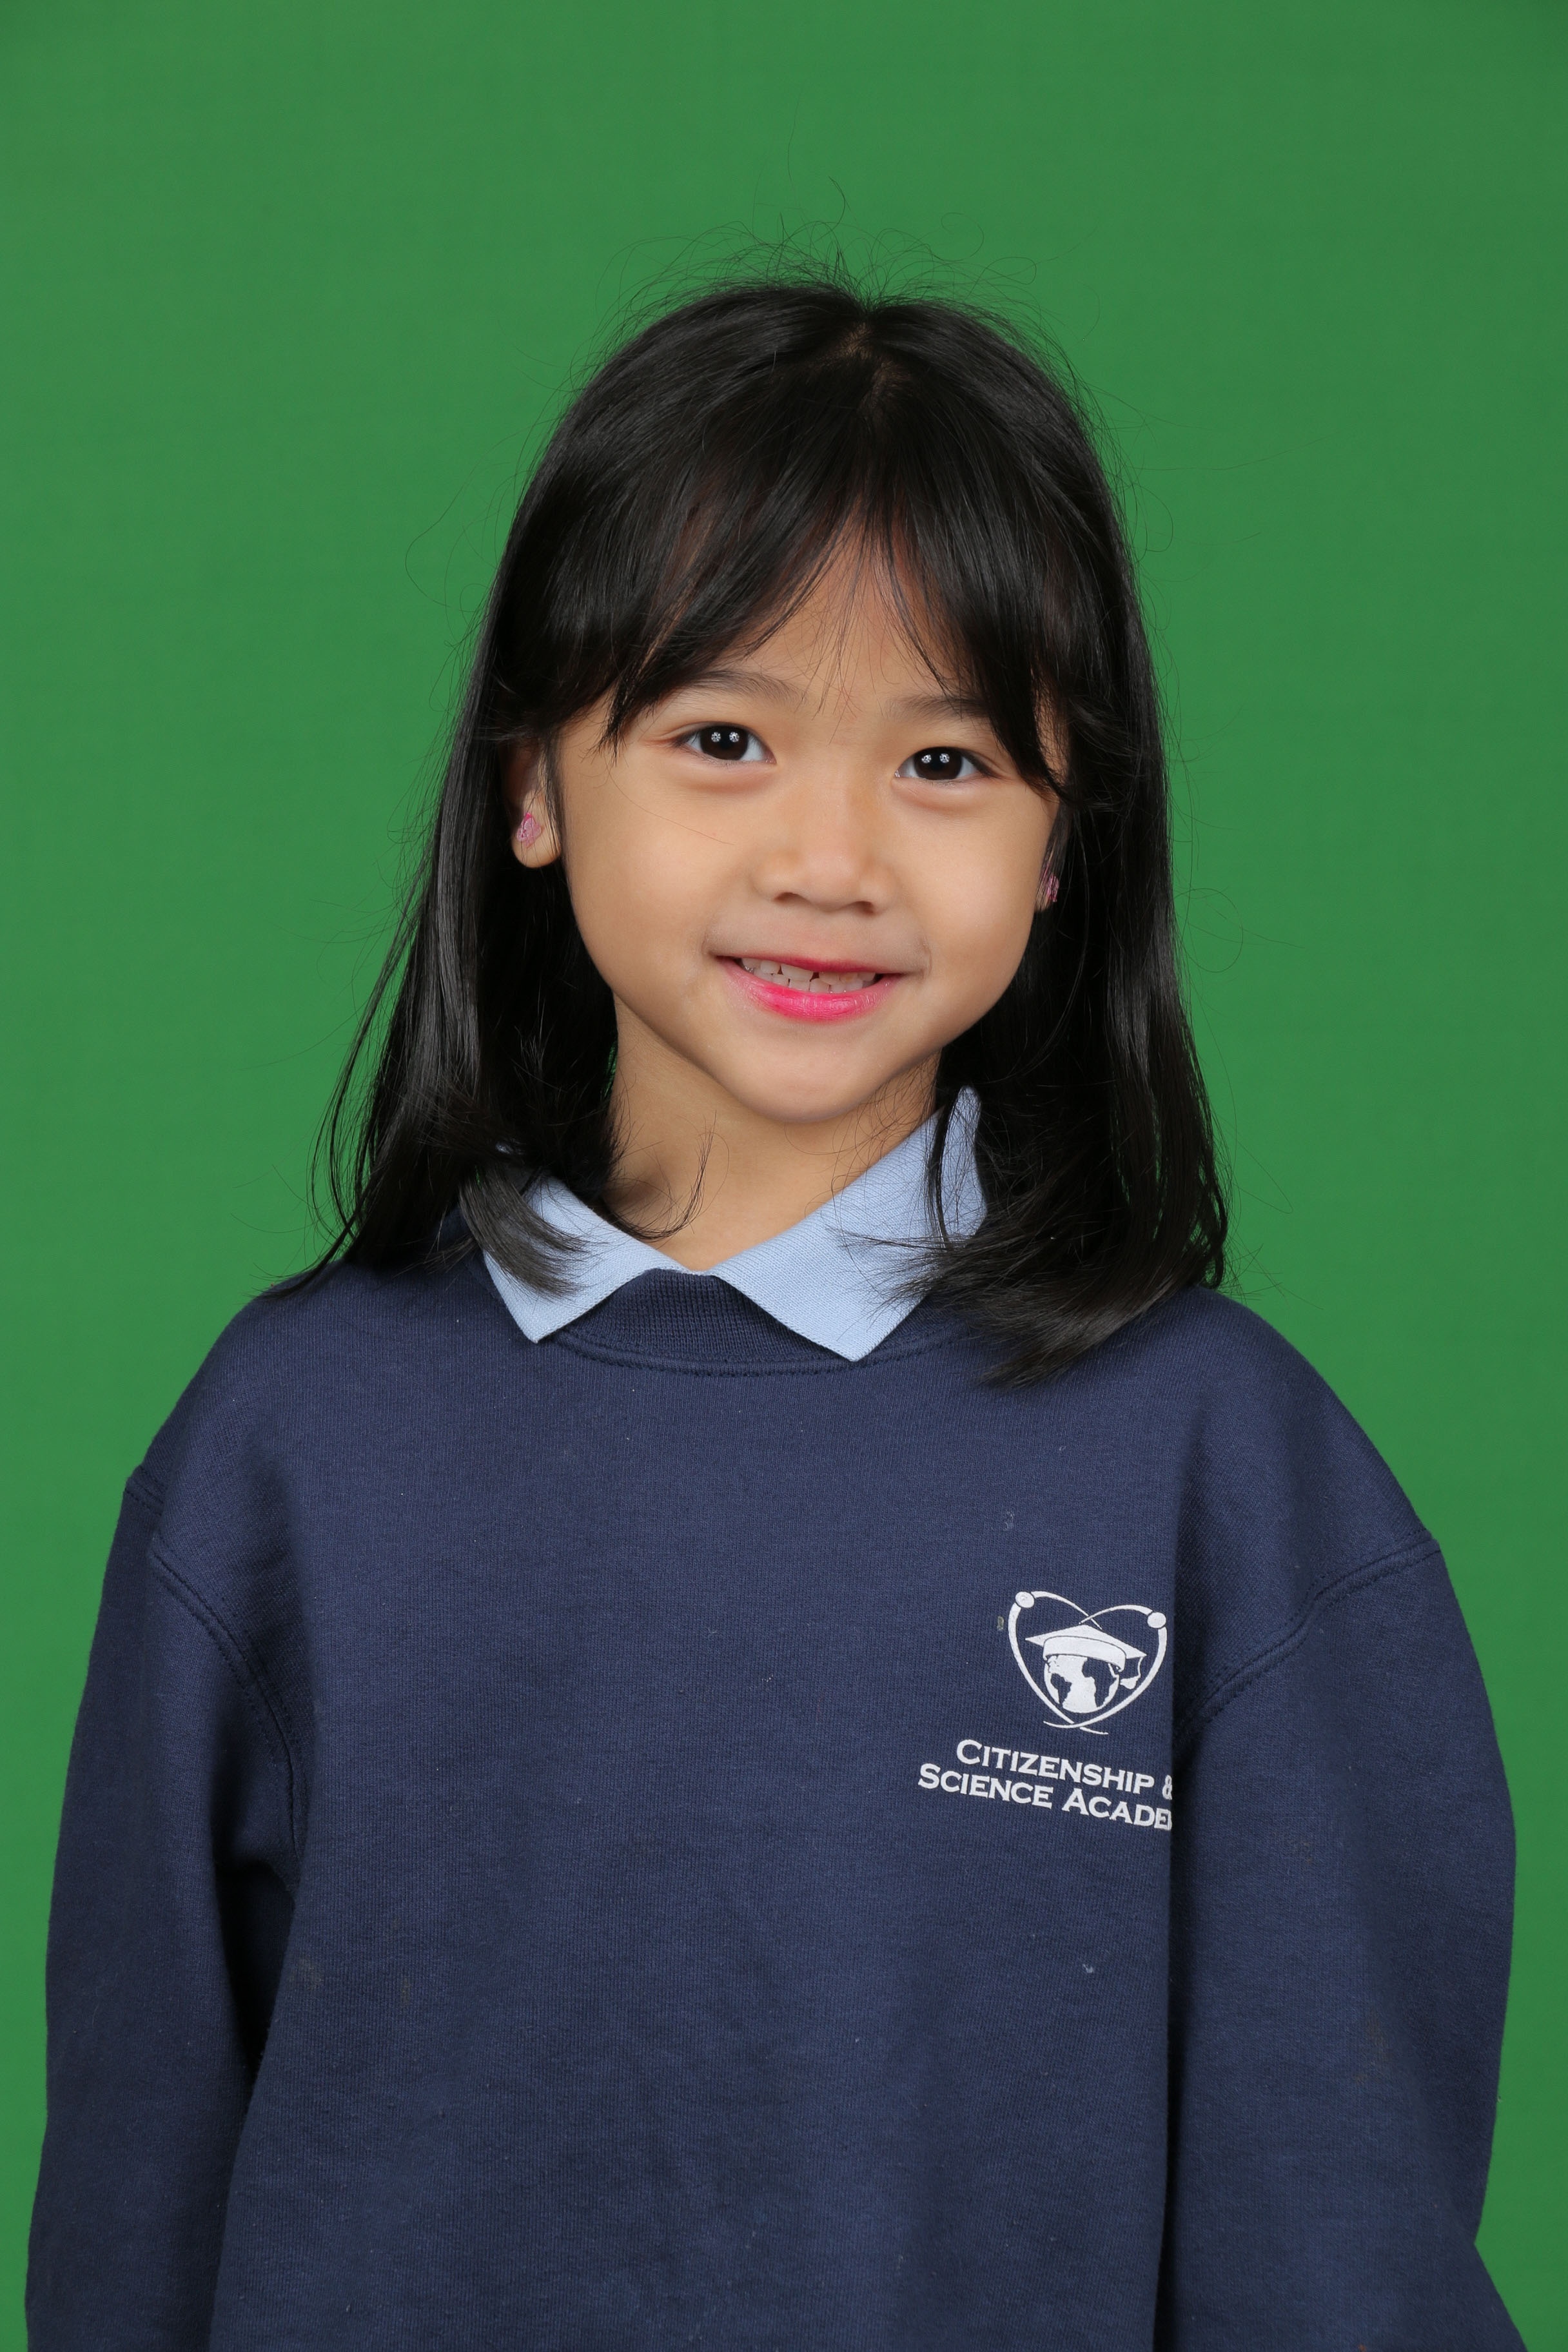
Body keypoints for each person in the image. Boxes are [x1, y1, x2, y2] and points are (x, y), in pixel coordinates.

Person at [27, 271, 1521, 2349]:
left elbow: (1339, 2263)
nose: (831, 858)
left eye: (948, 759)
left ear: (1065, 843)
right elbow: (130, 2228)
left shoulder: (1229, 1480)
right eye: (722, 738)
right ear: (535, 786)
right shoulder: (285, 1451)